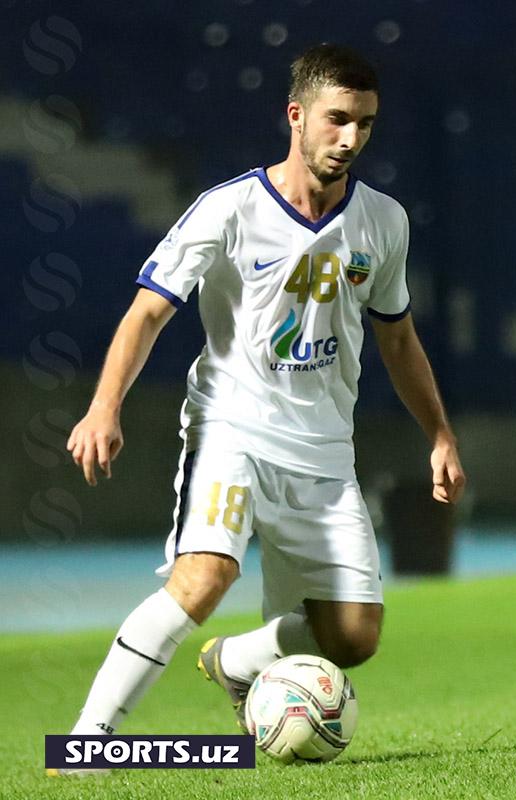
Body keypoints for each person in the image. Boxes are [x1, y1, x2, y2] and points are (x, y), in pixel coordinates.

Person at [59, 43, 465, 757]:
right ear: (296, 115)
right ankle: (91, 742)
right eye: (337, 119)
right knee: (205, 576)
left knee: (355, 637)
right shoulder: (229, 209)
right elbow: (146, 313)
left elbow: (399, 340)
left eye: (366, 124)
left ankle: (236, 662)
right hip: (232, 431)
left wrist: (439, 434)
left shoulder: (383, 222)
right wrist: (104, 406)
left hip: (324, 453)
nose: (351, 138)